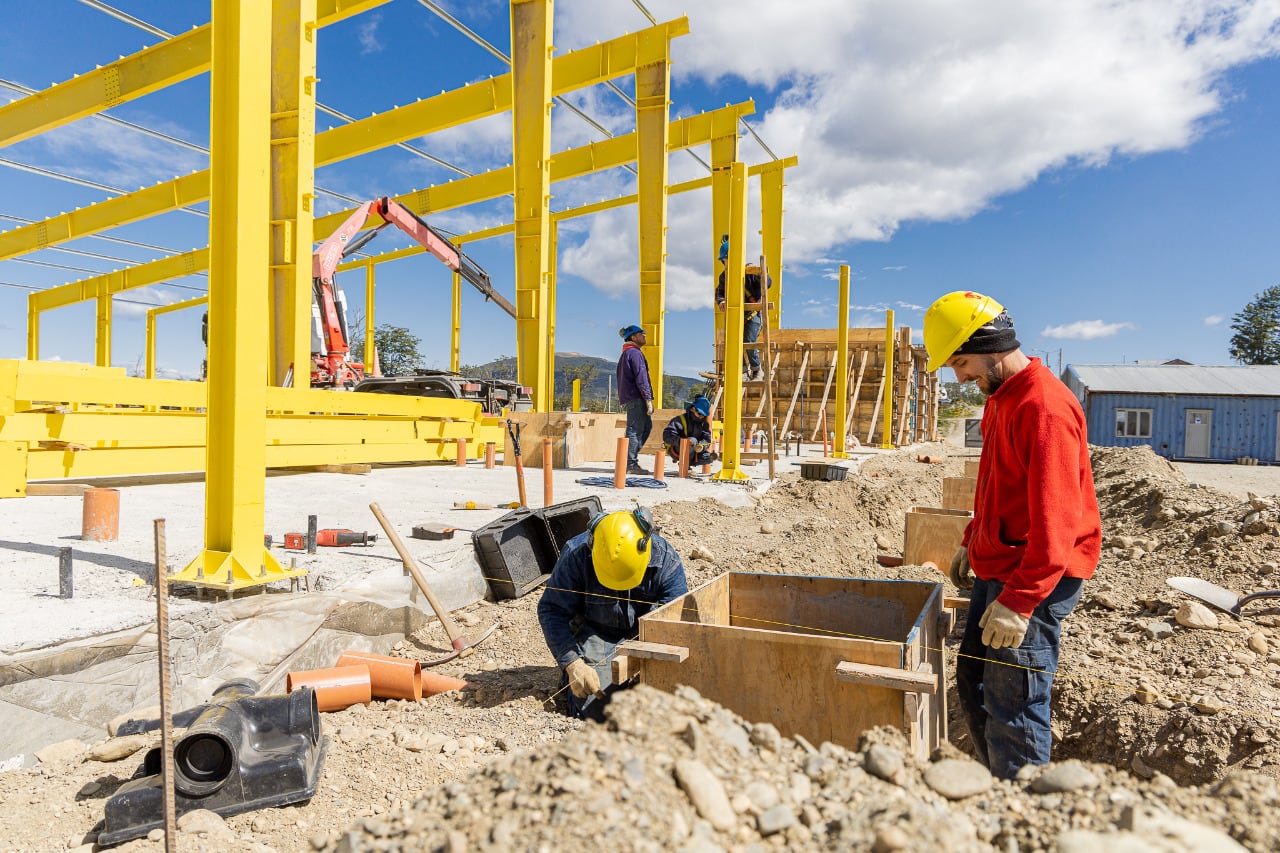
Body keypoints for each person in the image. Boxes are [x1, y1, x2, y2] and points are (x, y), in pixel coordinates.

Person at [922, 290, 1101, 780]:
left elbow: (1057, 520)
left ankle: (1021, 810)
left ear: (990, 343)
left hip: (1035, 576)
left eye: (961, 363)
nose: (959, 377)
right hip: (1003, 566)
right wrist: (972, 536)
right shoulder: (1001, 397)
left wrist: (1021, 602)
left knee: (1015, 705)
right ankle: (995, 789)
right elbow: (998, 483)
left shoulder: (1044, 408)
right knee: (975, 679)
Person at [537, 509, 688, 720]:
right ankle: (574, 680)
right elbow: (552, 610)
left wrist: (646, 652)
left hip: (647, 633)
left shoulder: (665, 559)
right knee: (596, 709)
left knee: (677, 701)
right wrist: (573, 664)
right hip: (596, 633)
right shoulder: (576, 554)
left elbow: (676, 613)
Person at [715, 235, 772, 382]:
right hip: (737, 316)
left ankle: (757, 370)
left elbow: (768, 283)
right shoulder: (724, 277)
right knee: (736, 344)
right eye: (724, 261)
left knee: (749, 341)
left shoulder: (749, 273)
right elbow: (719, 292)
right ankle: (744, 372)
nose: (726, 264)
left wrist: (760, 274)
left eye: (727, 260)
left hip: (753, 315)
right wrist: (721, 301)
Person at [616, 323, 654, 475]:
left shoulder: (627, 354)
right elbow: (641, 377)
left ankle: (629, 459)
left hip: (633, 396)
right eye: (641, 334)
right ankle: (630, 463)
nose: (644, 335)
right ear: (633, 337)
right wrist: (648, 399)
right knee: (634, 429)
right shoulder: (635, 353)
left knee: (646, 427)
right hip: (636, 396)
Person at [662, 395, 717, 469]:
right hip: (677, 450)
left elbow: (707, 438)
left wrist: (701, 446)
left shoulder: (704, 423)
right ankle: (685, 466)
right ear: (693, 409)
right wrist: (681, 441)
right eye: (700, 414)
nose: (701, 417)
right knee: (692, 440)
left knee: (709, 458)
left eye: (703, 415)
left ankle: (687, 463)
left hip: (694, 451)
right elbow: (667, 436)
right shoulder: (680, 420)